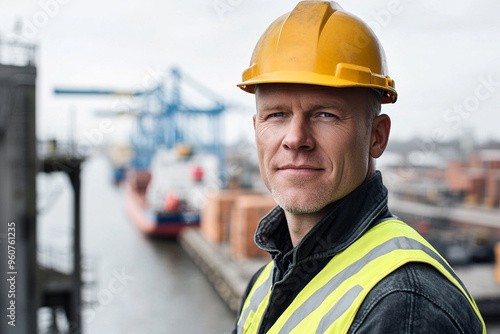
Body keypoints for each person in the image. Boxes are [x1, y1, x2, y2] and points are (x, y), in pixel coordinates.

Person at [232, 1, 485, 333]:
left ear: (376, 137)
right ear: (256, 130)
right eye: (276, 114)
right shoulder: (266, 282)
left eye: (326, 114)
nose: (295, 139)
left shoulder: (403, 302)